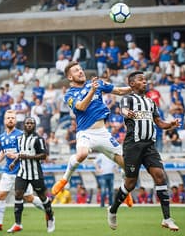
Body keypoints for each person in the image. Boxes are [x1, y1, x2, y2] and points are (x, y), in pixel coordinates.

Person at [51, 61, 134, 207]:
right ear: (70, 77)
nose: (81, 71)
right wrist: (92, 91)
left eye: (81, 69)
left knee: (127, 165)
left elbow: (119, 91)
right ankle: (64, 179)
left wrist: (134, 87)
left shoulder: (96, 83)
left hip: (103, 133)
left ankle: (124, 190)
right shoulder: (69, 94)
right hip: (86, 133)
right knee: (82, 154)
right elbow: (81, 107)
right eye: (76, 71)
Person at [107, 71, 180, 231]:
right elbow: (123, 111)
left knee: (160, 177)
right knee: (131, 184)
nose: (144, 81)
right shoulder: (128, 99)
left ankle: (167, 218)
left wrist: (171, 124)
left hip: (149, 146)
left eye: (145, 79)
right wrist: (128, 113)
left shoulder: (151, 102)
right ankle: (113, 210)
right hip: (133, 146)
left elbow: (159, 122)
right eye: (141, 80)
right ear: (132, 84)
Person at [0, 110, 44, 232]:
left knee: (29, 198)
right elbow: (3, 151)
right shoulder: (2, 136)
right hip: (8, 172)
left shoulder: (21, 135)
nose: (10, 120)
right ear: (5, 121)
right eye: (8, 118)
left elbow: (27, 152)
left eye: (12, 118)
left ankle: (48, 209)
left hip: (21, 172)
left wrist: (16, 155)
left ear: (16, 120)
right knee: (0, 196)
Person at [5, 117, 55, 233]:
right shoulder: (20, 138)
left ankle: (51, 218)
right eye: (27, 123)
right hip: (22, 173)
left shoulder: (38, 139)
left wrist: (29, 157)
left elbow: (43, 155)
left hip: (35, 173)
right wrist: (14, 162)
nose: (29, 125)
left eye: (31, 123)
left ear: (34, 125)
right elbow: (21, 154)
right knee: (18, 194)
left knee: (43, 197)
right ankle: (18, 224)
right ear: (23, 125)